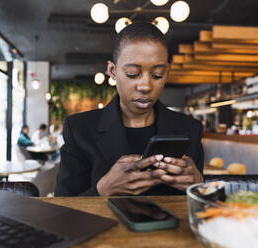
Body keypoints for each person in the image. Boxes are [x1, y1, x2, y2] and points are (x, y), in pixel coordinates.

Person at [55, 22, 204, 197]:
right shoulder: (79, 130)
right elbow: (63, 212)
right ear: (112, 71)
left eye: (157, 75)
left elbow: (204, 209)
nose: (146, 86)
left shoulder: (190, 129)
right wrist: (101, 190)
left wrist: (199, 186)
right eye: (133, 74)